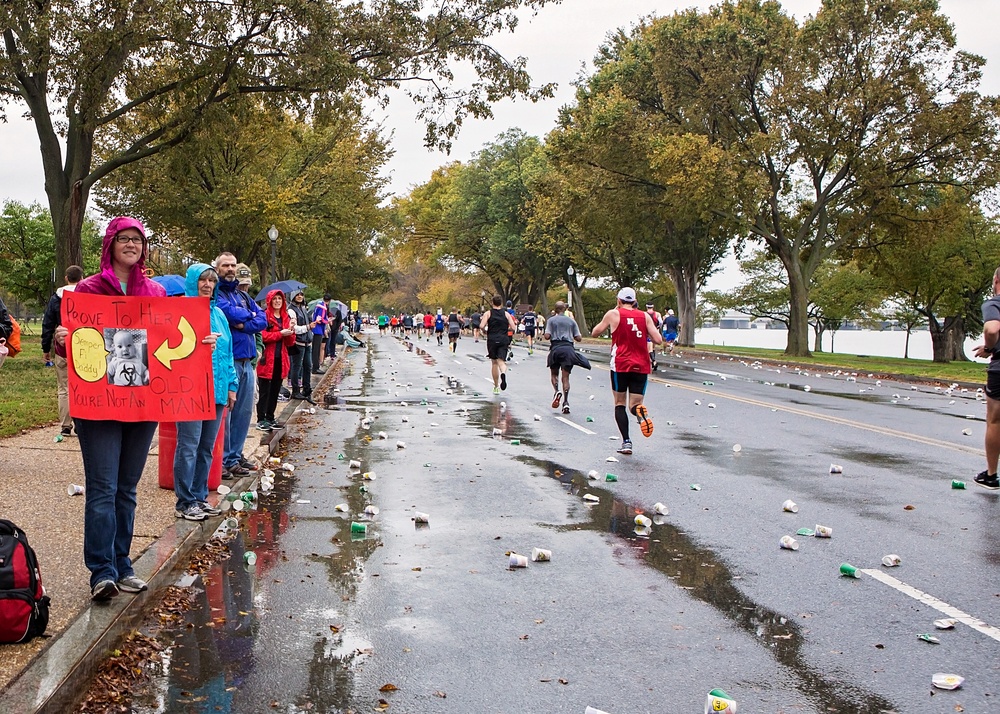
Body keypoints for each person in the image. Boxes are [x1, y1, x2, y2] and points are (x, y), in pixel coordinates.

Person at [53, 217, 169, 600]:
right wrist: (61, 339)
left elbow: (169, 340)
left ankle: (123, 565)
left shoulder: (154, 291)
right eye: (125, 238)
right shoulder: (87, 289)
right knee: (102, 488)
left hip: (141, 401)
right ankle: (101, 571)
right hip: (99, 404)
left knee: (126, 489)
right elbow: (72, 344)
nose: (132, 244)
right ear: (111, 244)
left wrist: (198, 342)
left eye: (138, 239)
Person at [173, 263, 238, 521]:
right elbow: (171, 350)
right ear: (193, 283)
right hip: (190, 390)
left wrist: (232, 386)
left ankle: (199, 497)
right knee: (188, 446)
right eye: (203, 280)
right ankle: (185, 501)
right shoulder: (180, 313)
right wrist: (199, 349)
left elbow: (229, 354)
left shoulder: (220, 315)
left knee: (206, 448)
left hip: (218, 391)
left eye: (212, 281)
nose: (208, 285)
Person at [590, 287, 662, 455]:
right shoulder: (644, 316)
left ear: (619, 300)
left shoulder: (613, 314)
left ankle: (627, 442)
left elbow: (595, 332)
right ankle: (640, 413)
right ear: (635, 301)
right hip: (641, 365)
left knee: (620, 403)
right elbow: (658, 339)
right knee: (635, 404)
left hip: (620, 363)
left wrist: (614, 315)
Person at [215, 253, 267, 477]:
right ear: (217, 268)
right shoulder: (216, 295)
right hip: (230, 361)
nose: (230, 269)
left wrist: (243, 324)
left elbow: (262, 319)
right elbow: (226, 313)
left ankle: (235, 456)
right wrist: (249, 318)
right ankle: (225, 460)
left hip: (247, 362)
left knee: (244, 413)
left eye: (233, 265)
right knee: (228, 412)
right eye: (225, 265)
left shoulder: (242, 296)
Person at [41, 265, 83, 436]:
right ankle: (81, 423)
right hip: (82, 348)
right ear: (82, 278)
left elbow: (48, 323)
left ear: (66, 278)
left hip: (62, 347)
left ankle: (66, 425)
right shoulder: (86, 295)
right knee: (81, 386)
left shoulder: (56, 298)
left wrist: (46, 348)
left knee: (64, 387)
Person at [973, 269, 1000, 489]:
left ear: (996, 280)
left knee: (995, 420)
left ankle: (991, 475)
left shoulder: (994, 304)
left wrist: (990, 347)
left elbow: (992, 328)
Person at [256, 290, 296, 431]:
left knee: (275, 390)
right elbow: (263, 336)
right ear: (270, 301)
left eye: (280, 298)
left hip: (281, 358)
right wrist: (279, 334)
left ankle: (270, 417)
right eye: (275, 299)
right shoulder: (265, 316)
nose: (278, 301)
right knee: (264, 390)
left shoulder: (286, 317)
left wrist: (291, 331)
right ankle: (261, 419)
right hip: (267, 359)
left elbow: (290, 342)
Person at [544, 301, 587, 414]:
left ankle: (557, 391)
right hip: (568, 349)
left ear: (555, 309)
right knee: (566, 378)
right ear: (565, 309)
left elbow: (547, 336)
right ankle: (566, 402)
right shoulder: (571, 321)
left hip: (556, 348)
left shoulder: (551, 320)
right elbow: (579, 338)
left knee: (554, 374)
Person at [480, 295, 517, 394]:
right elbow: (513, 327)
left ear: (492, 303)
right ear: (501, 303)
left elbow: (481, 325)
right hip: (503, 339)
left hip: (492, 339)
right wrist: (506, 329)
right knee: (501, 361)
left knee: (494, 363)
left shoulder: (488, 313)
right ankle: (503, 374)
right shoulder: (506, 314)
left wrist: (484, 331)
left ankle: (496, 386)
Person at [287, 290, 315, 403]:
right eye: (297, 295)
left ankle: (307, 388)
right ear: (293, 296)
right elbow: (295, 329)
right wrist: (308, 327)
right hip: (298, 342)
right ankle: (295, 391)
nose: (300, 296)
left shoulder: (303, 308)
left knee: (308, 366)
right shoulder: (291, 310)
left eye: (301, 295)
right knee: (296, 367)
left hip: (307, 342)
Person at [311, 294, 330, 374]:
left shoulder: (318, 305)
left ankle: (314, 366)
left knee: (315, 349)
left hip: (315, 329)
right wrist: (327, 321)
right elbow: (321, 319)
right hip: (318, 330)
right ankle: (315, 367)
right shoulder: (323, 307)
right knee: (316, 349)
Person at [644, 303, 662, 371]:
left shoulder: (644, 314)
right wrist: (658, 328)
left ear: (646, 307)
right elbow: (660, 322)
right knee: (653, 347)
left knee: (649, 348)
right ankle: (652, 362)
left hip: (648, 332)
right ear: (653, 306)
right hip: (655, 331)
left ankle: (653, 362)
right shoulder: (657, 314)